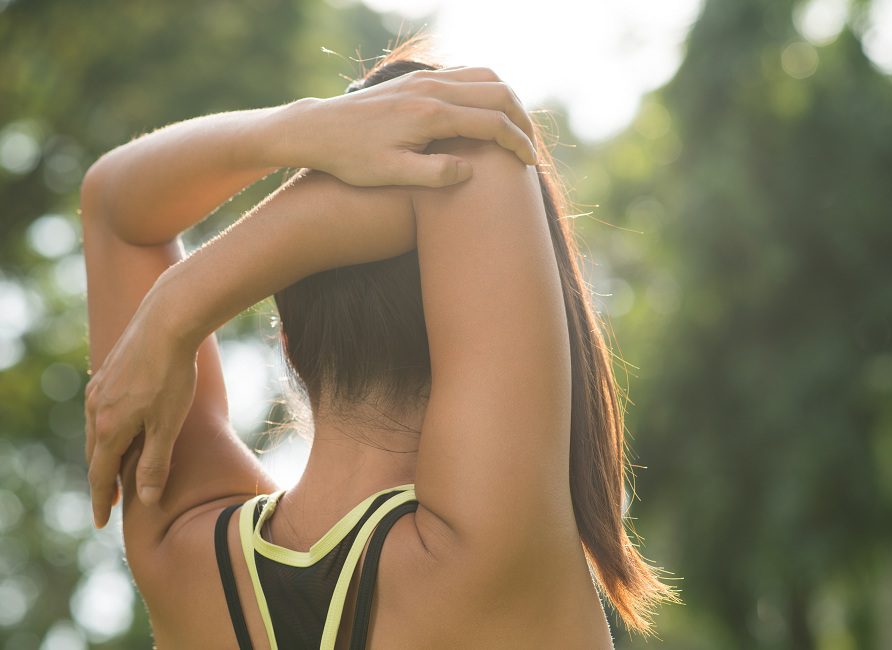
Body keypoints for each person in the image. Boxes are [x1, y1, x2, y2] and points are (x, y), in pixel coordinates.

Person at [80, 35, 679, 648]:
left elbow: (112, 203)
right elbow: (473, 142)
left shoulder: (180, 552)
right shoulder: (484, 549)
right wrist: (180, 306)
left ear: (287, 338)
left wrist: (299, 129)